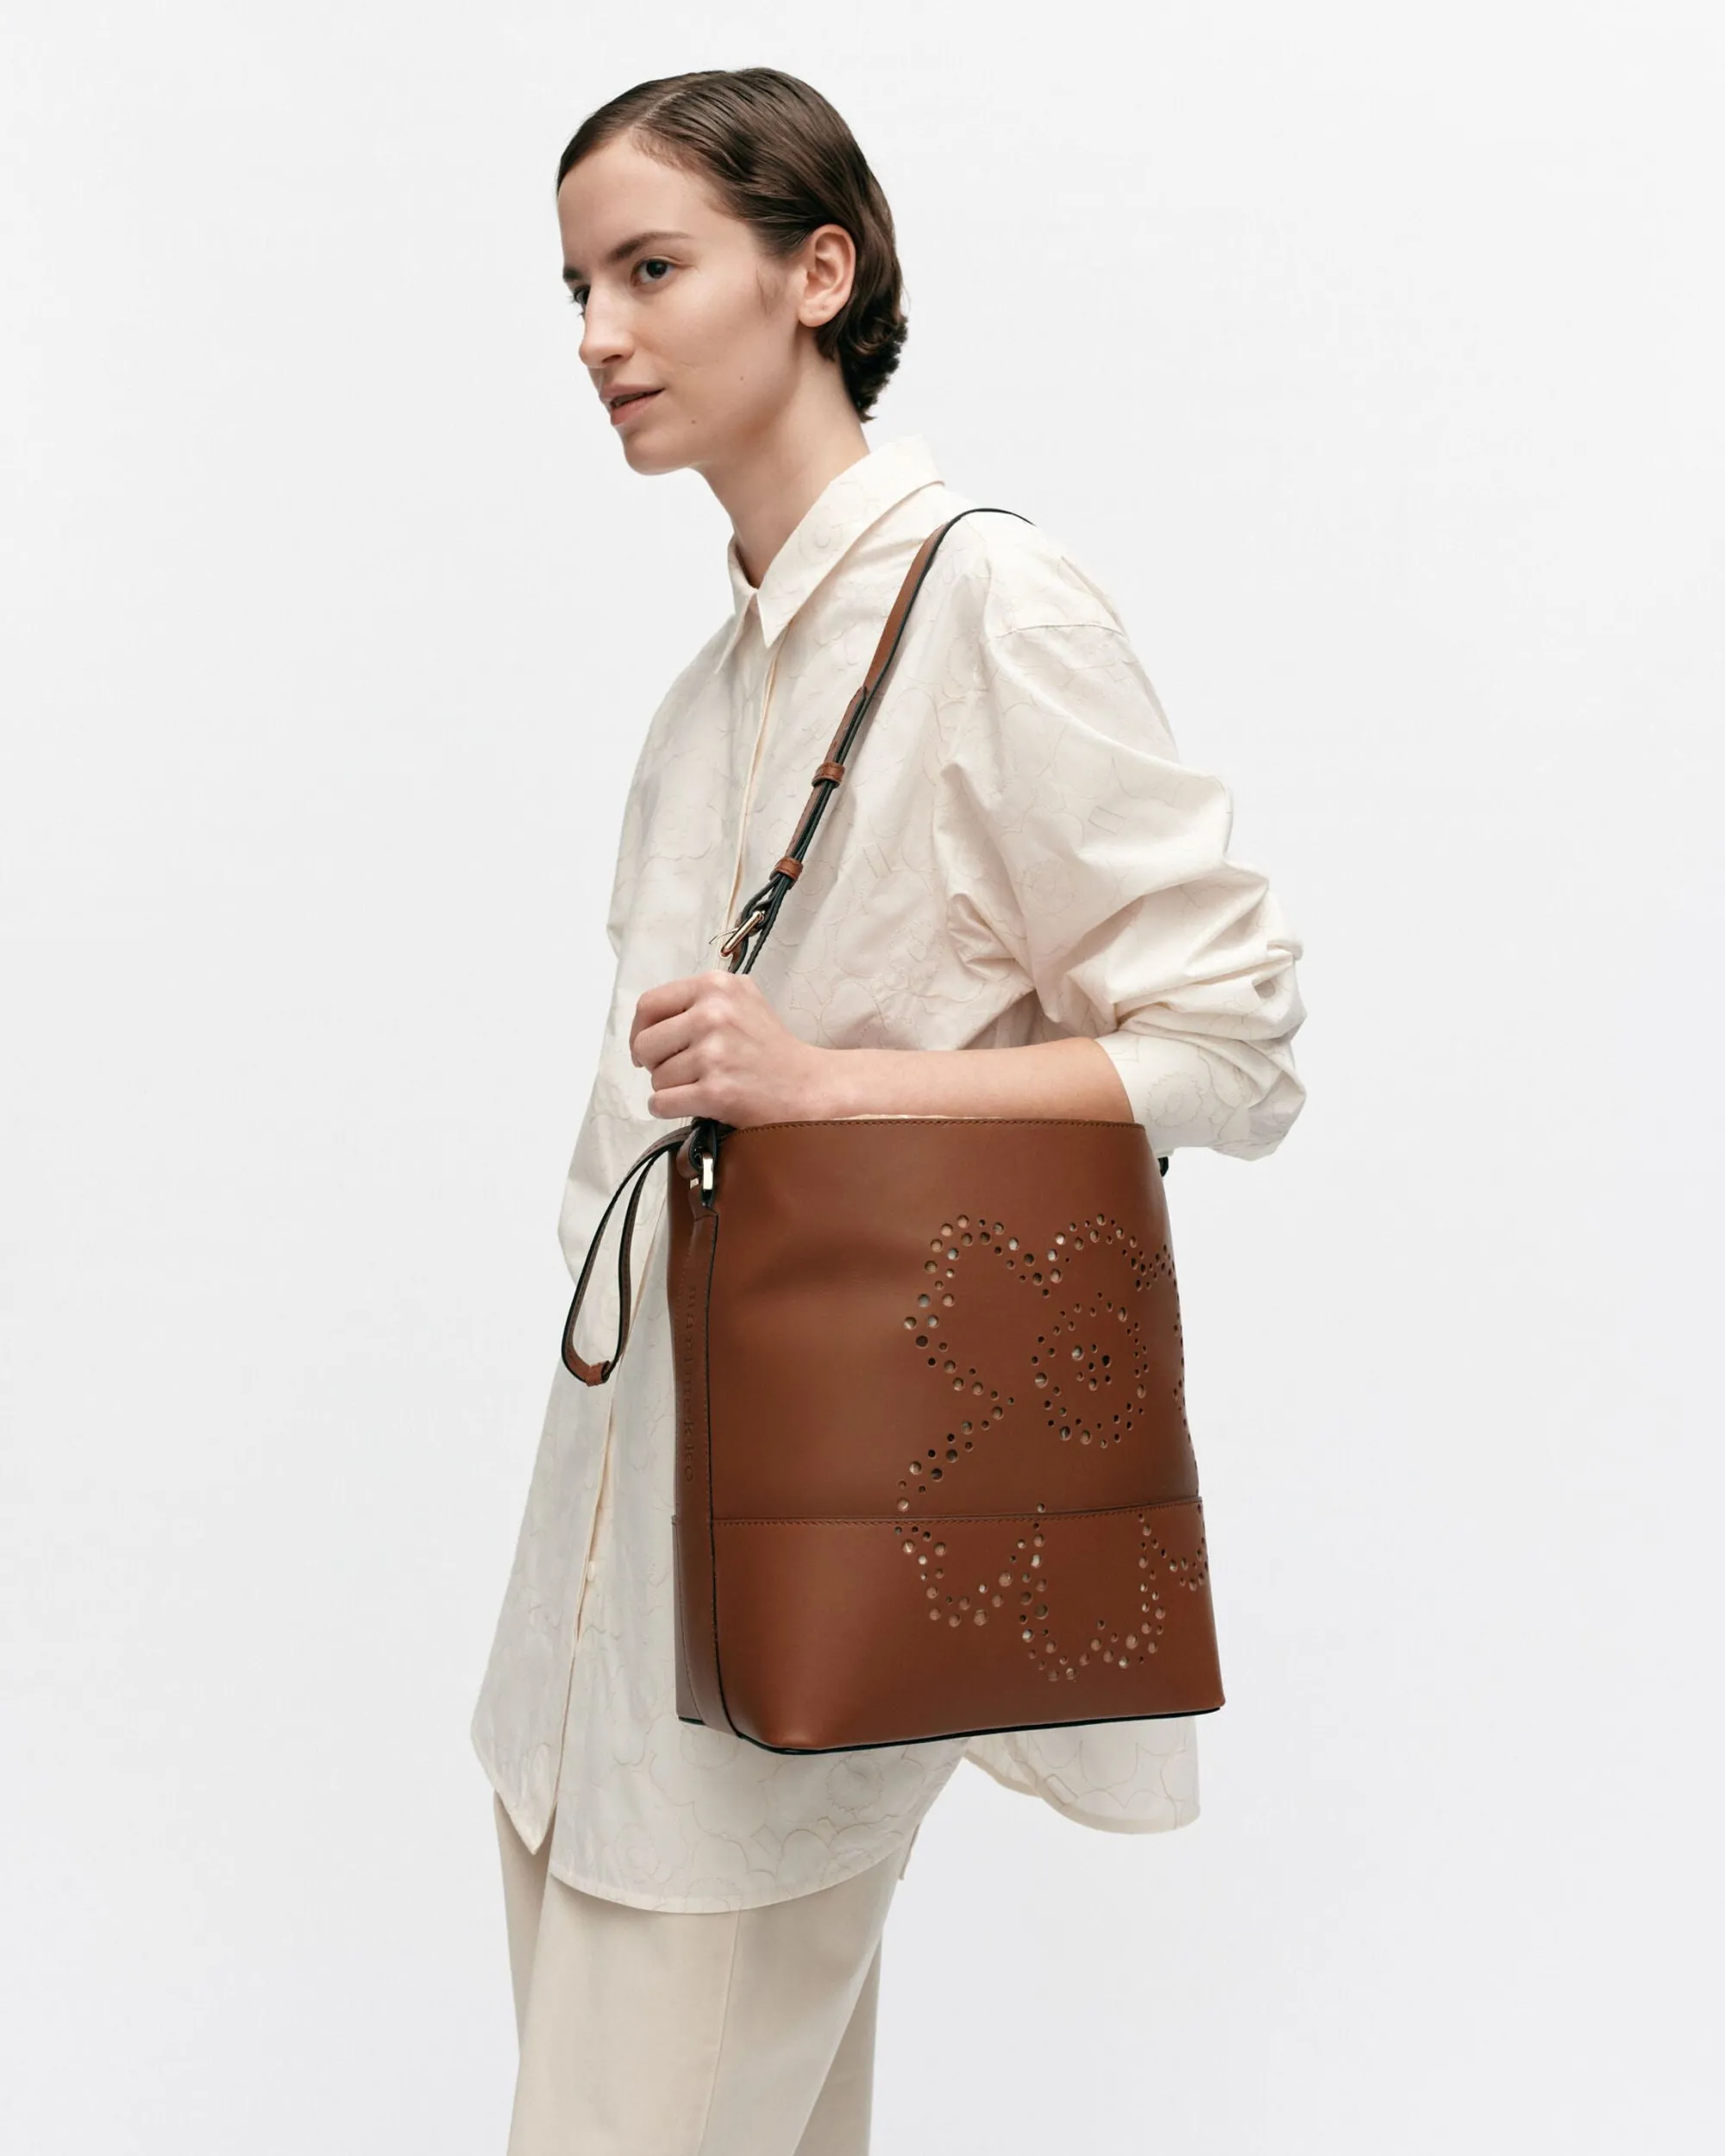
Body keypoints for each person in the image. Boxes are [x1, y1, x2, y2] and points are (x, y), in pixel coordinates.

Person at [471, 65, 1308, 2156]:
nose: (598, 335)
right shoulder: (710, 692)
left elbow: (1232, 1041)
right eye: (577, 287)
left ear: (816, 272)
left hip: (792, 1597)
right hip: (590, 1636)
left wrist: (824, 1086)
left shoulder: (988, 606)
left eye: (650, 268)